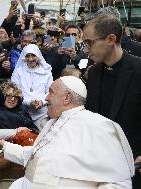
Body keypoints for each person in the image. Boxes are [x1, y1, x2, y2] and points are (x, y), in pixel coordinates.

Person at [0, 76, 134, 189]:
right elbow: (38, 158)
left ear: (66, 97)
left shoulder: (99, 126)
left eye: (50, 92)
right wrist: (3, 145)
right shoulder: (53, 122)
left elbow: (119, 183)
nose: (46, 98)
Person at [84, 15, 141, 188]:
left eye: (89, 43)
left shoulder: (139, 70)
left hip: (134, 165)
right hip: (98, 164)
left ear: (111, 39)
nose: (86, 50)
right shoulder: (93, 73)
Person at [11, 44, 53, 130]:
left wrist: (41, 102)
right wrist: (28, 102)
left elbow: (50, 91)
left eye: (33, 55)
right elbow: (15, 91)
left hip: (42, 114)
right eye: (27, 56)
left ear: (38, 56)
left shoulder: (46, 71)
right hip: (22, 113)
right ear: (24, 57)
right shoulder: (18, 71)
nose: (30, 59)